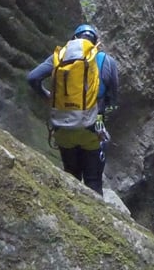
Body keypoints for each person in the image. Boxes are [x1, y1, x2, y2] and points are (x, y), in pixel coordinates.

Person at [27, 23, 119, 196]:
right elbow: (113, 100)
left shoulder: (59, 58)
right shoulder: (107, 61)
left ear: (73, 40)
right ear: (96, 42)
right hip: (91, 130)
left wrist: (47, 96)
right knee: (93, 181)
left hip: (63, 129)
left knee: (71, 178)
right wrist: (101, 114)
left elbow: (32, 78)